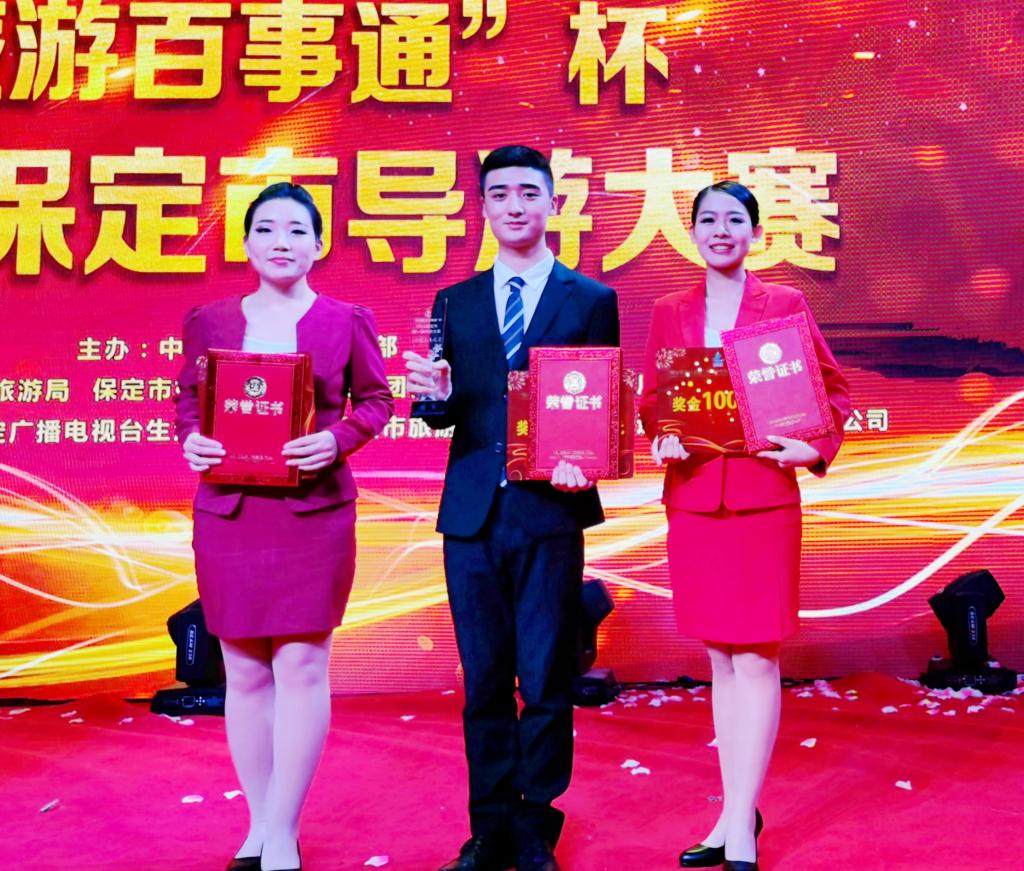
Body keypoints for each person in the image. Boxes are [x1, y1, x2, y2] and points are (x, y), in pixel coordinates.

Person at [404, 145, 620, 871]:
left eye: (529, 191)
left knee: (547, 677)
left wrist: (586, 462)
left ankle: (535, 823)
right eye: (500, 194)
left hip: (550, 512)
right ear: (484, 207)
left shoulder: (590, 299)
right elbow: (438, 411)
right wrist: (433, 395)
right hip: (471, 516)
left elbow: (600, 407)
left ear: (554, 202)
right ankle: (488, 825)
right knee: (486, 678)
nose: (515, 205)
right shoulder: (455, 301)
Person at [174, 182, 393, 871]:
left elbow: (377, 400)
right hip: (230, 512)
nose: (281, 242)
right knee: (242, 668)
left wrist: (337, 439)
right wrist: (192, 440)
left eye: (297, 230)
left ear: (319, 244)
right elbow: (188, 400)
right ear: (245, 243)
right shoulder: (210, 320)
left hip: (312, 513)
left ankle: (284, 828)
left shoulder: (345, 319)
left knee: (300, 663)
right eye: (266, 229)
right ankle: (260, 821)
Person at [639, 181, 850, 871]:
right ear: (692, 231)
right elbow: (655, 400)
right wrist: (664, 434)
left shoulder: (783, 303)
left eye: (735, 219)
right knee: (720, 660)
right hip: (696, 499)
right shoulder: (670, 310)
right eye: (708, 219)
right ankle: (735, 813)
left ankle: (738, 828)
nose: (720, 230)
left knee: (757, 657)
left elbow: (832, 388)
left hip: (762, 499)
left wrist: (813, 449)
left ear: (756, 232)